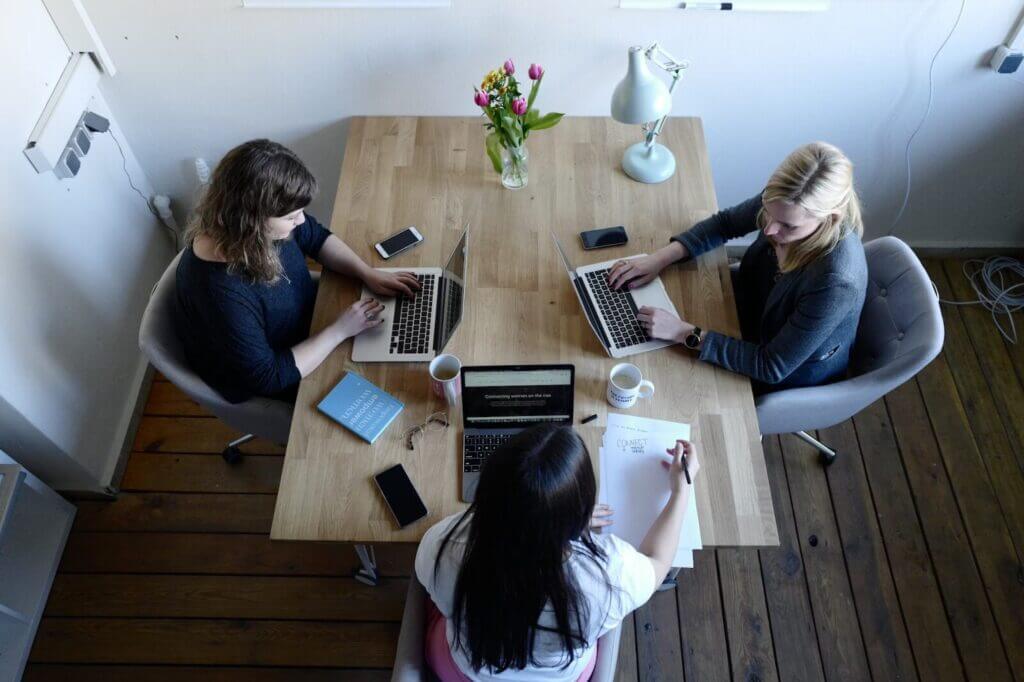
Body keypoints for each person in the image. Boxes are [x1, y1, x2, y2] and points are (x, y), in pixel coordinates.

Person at [415, 424, 699, 681]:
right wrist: (680, 490)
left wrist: (550, 518)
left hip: (464, 671)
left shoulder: (442, 545)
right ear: (581, 513)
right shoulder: (609, 576)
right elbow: (658, 561)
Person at [609, 141, 868, 393]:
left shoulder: (835, 281)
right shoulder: (784, 201)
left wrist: (681, 332)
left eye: (788, 226)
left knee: (671, 385)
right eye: (768, 212)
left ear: (830, 219)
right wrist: (659, 259)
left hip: (778, 371)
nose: (769, 229)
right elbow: (725, 224)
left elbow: (771, 365)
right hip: (744, 312)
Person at [174, 139, 421, 403]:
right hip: (282, 370)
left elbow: (315, 237)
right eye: (291, 217)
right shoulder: (219, 294)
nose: (300, 221)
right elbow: (267, 377)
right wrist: (339, 331)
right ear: (251, 220)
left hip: (312, 322)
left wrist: (366, 272)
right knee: (393, 386)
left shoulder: (254, 231)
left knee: (401, 351)